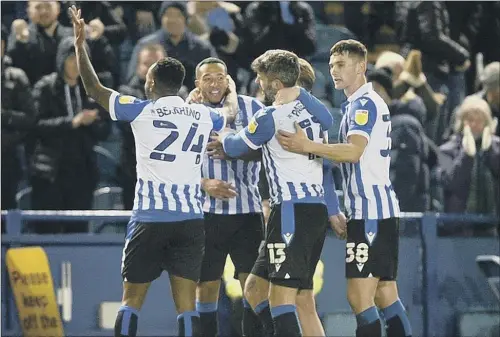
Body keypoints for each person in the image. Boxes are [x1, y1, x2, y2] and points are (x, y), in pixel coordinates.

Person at [68, 6, 237, 337]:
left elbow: (93, 89)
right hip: (190, 220)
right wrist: (223, 89)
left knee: (131, 303)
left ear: (152, 81)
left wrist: (79, 45)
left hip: (149, 218)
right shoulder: (202, 115)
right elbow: (227, 113)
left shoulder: (141, 111)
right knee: (186, 307)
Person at [274, 40, 412, 337]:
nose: (334, 71)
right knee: (385, 294)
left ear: (361, 67)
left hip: (371, 212)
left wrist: (307, 145)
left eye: (341, 65)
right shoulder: (358, 103)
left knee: (359, 298)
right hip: (377, 210)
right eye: (332, 65)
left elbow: (353, 152)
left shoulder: (364, 105)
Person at [217, 49, 334, 337]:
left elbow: (233, 147)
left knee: (282, 300)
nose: (258, 84)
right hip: (314, 210)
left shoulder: (269, 116)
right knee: (260, 290)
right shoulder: (316, 112)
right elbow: (329, 123)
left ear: (276, 84)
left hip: (291, 212)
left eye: (261, 78)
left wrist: (222, 134)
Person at [188, 57, 265, 337]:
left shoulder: (252, 107)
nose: (214, 84)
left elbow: (269, 152)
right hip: (207, 214)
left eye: (219, 77)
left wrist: (235, 149)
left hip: (247, 212)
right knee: (206, 286)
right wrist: (203, 183)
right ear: (197, 83)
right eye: (207, 78)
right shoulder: (187, 113)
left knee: (253, 287)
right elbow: (172, 162)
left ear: (228, 79)